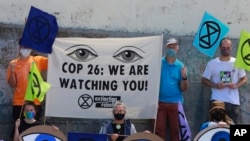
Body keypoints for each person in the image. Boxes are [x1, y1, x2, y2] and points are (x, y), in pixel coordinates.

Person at [201, 38, 247, 124]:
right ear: (219, 48)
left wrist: (236, 85)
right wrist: (215, 85)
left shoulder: (237, 62)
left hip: (233, 102)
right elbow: (204, 80)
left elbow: (244, 79)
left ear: (231, 47)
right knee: (214, 129)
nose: (226, 49)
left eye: (228, 47)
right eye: (223, 47)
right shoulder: (212, 63)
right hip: (216, 102)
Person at [6, 38, 48, 122]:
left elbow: (54, 62)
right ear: (19, 47)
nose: (25, 49)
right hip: (19, 103)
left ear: (31, 48)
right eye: (23, 46)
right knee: (19, 128)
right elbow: (12, 85)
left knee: (33, 131)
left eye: (28, 47)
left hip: (35, 104)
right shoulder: (13, 63)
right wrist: (12, 71)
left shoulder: (38, 60)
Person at [155, 38, 189, 141]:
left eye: (174, 46)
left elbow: (184, 88)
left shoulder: (181, 66)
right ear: (166, 48)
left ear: (177, 48)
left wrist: (184, 77)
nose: (171, 48)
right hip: (159, 103)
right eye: (169, 46)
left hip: (175, 103)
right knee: (159, 130)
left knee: (176, 131)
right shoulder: (158, 62)